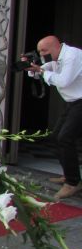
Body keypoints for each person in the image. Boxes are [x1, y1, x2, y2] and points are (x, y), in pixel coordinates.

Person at [26, 35, 82, 200]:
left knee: (65, 138)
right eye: (39, 51)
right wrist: (33, 69)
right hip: (72, 103)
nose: (42, 54)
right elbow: (42, 71)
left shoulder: (72, 56)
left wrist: (42, 71)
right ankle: (69, 174)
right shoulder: (57, 59)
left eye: (44, 50)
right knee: (55, 137)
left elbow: (63, 81)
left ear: (55, 46)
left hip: (80, 102)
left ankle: (73, 183)